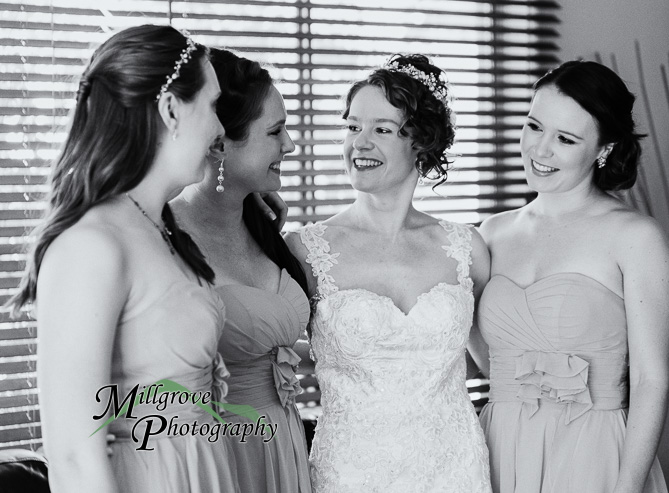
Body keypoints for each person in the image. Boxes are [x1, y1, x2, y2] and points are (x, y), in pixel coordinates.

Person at [8, 25, 239, 493]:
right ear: (171, 109)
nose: (220, 128)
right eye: (214, 106)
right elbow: (73, 457)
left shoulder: (162, 230)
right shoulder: (92, 244)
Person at [284, 54, 492, 492]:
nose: (359, 143)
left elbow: (497, 363)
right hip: (349, 473)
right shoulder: (305, 250)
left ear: (421, 141)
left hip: (455, 471)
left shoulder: (466, 248)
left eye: (381, 129)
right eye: (352, 126)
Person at [474, 60, 669, 493]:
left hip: (592, 452)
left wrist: (626, 488)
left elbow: (650, 381)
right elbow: (480, 350)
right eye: (533, 126)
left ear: (603, 149)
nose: (540, 150)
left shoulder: (635, 238)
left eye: (565, 139)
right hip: (498, 448)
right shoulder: (490, 234)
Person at [171, 48, 312, 493]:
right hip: (224, 456)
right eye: (275, 132)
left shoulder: (265, 225)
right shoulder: (161, 238)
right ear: (218, 142)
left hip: (286, 444)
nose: (289, 145)